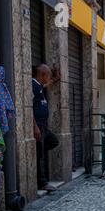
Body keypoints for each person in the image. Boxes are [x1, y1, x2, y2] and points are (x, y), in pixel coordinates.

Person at [33, 64, 60, 192]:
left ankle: (37, 154)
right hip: (38, 126)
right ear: (43, 75)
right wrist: (35, 127)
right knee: (38, 155)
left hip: (43, 126)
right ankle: (42, 183)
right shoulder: (32, 86)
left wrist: (54, 80)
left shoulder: (39, 86)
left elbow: (45, 85)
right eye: (48, 75)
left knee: (54, 141)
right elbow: (29, 107)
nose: (48, 78)